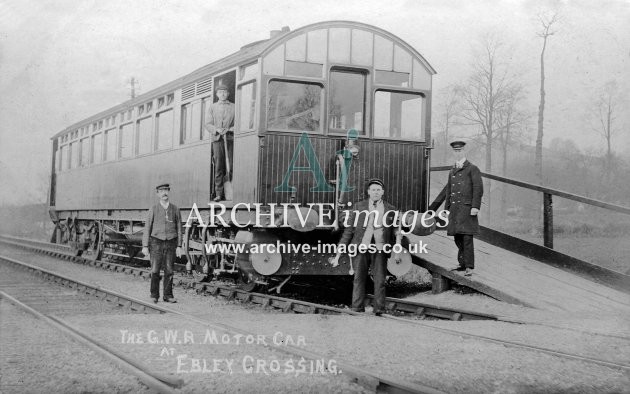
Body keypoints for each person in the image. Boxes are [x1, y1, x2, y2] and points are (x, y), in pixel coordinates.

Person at [331, 179, 401, 316]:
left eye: (378, 190)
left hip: (380, 248)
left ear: (383, 192)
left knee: (380, 280)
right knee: (359, 278)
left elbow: (396, 231)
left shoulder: (390, 209)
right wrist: (338, 255)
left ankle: (379, 309)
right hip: (361, 247)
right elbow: (348, 231)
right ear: (368, 192)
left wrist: (397, 251)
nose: (375, 192)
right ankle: (356, 308)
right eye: (373, 190)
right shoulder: (358, 207)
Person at [445, 141, 483, 277]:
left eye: (460, 150)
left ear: (464, 151)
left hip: (467, 209)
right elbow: (449, 190)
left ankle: (469, 266)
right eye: (455, 151)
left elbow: (478, 189)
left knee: (467, 237)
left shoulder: (472, 168)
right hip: (455, 209)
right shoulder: (452, 169)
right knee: (457, 237)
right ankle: (462, 264)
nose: (457, 153)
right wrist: (446, 208)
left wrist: (475, 207)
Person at [142, 183, 182, 303]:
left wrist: (179, 245)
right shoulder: (153, 209)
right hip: (156, 242)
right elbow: (147, 227)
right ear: (158, 194)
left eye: (166, 190)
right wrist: (145, 245)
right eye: (161, 191)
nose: (164, 193)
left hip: (171, 242)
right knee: (155, 270)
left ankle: (168, 295)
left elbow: (180, 228)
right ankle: (154, 295)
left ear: (168, 192)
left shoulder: (175, 209)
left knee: (169, 270)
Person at [204, 82, 235, 202]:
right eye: (220, 92)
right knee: (218, 167)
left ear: (228, 94)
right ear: (217, 94)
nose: (223, 94)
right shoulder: (212, 107)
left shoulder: (234, 106)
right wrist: (216, 129)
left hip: (230, 139)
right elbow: (207, 123)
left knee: (231, 166)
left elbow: (240, 122)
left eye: (225, 92)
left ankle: (231, 191)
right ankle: (219, 193)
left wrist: (230, 129)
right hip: (217, 140)